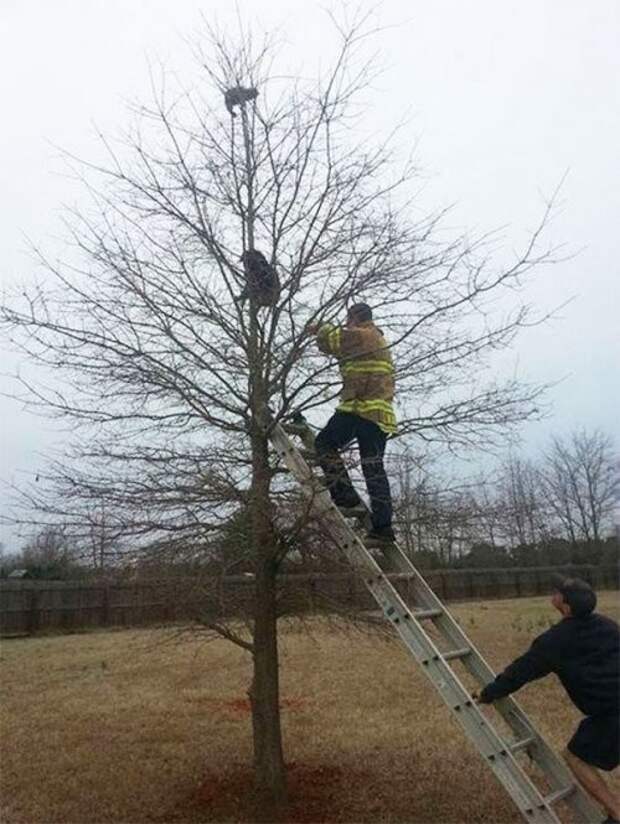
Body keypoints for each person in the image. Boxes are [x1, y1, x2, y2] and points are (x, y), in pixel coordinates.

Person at [474, 576, 620, 824]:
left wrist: (488, 693)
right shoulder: (608, 625)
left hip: (612, 714)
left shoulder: (555, 641)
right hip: (611, 710)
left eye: (559, 592)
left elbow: (521, 671)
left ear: (565, 605)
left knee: (576, 757)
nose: (554, 593)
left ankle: (616, 814)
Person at [306, 303, 396, 545]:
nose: (346, 324)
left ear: (355, 318)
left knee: (323, 443)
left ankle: (344, 494)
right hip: (380, 415)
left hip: (360, 409)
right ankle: (383, 528)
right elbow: (335, 347)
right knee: (374, 469)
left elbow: (334, 339)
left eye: (348, 320)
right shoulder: (376, 341)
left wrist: (318, 328)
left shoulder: (363, 336)